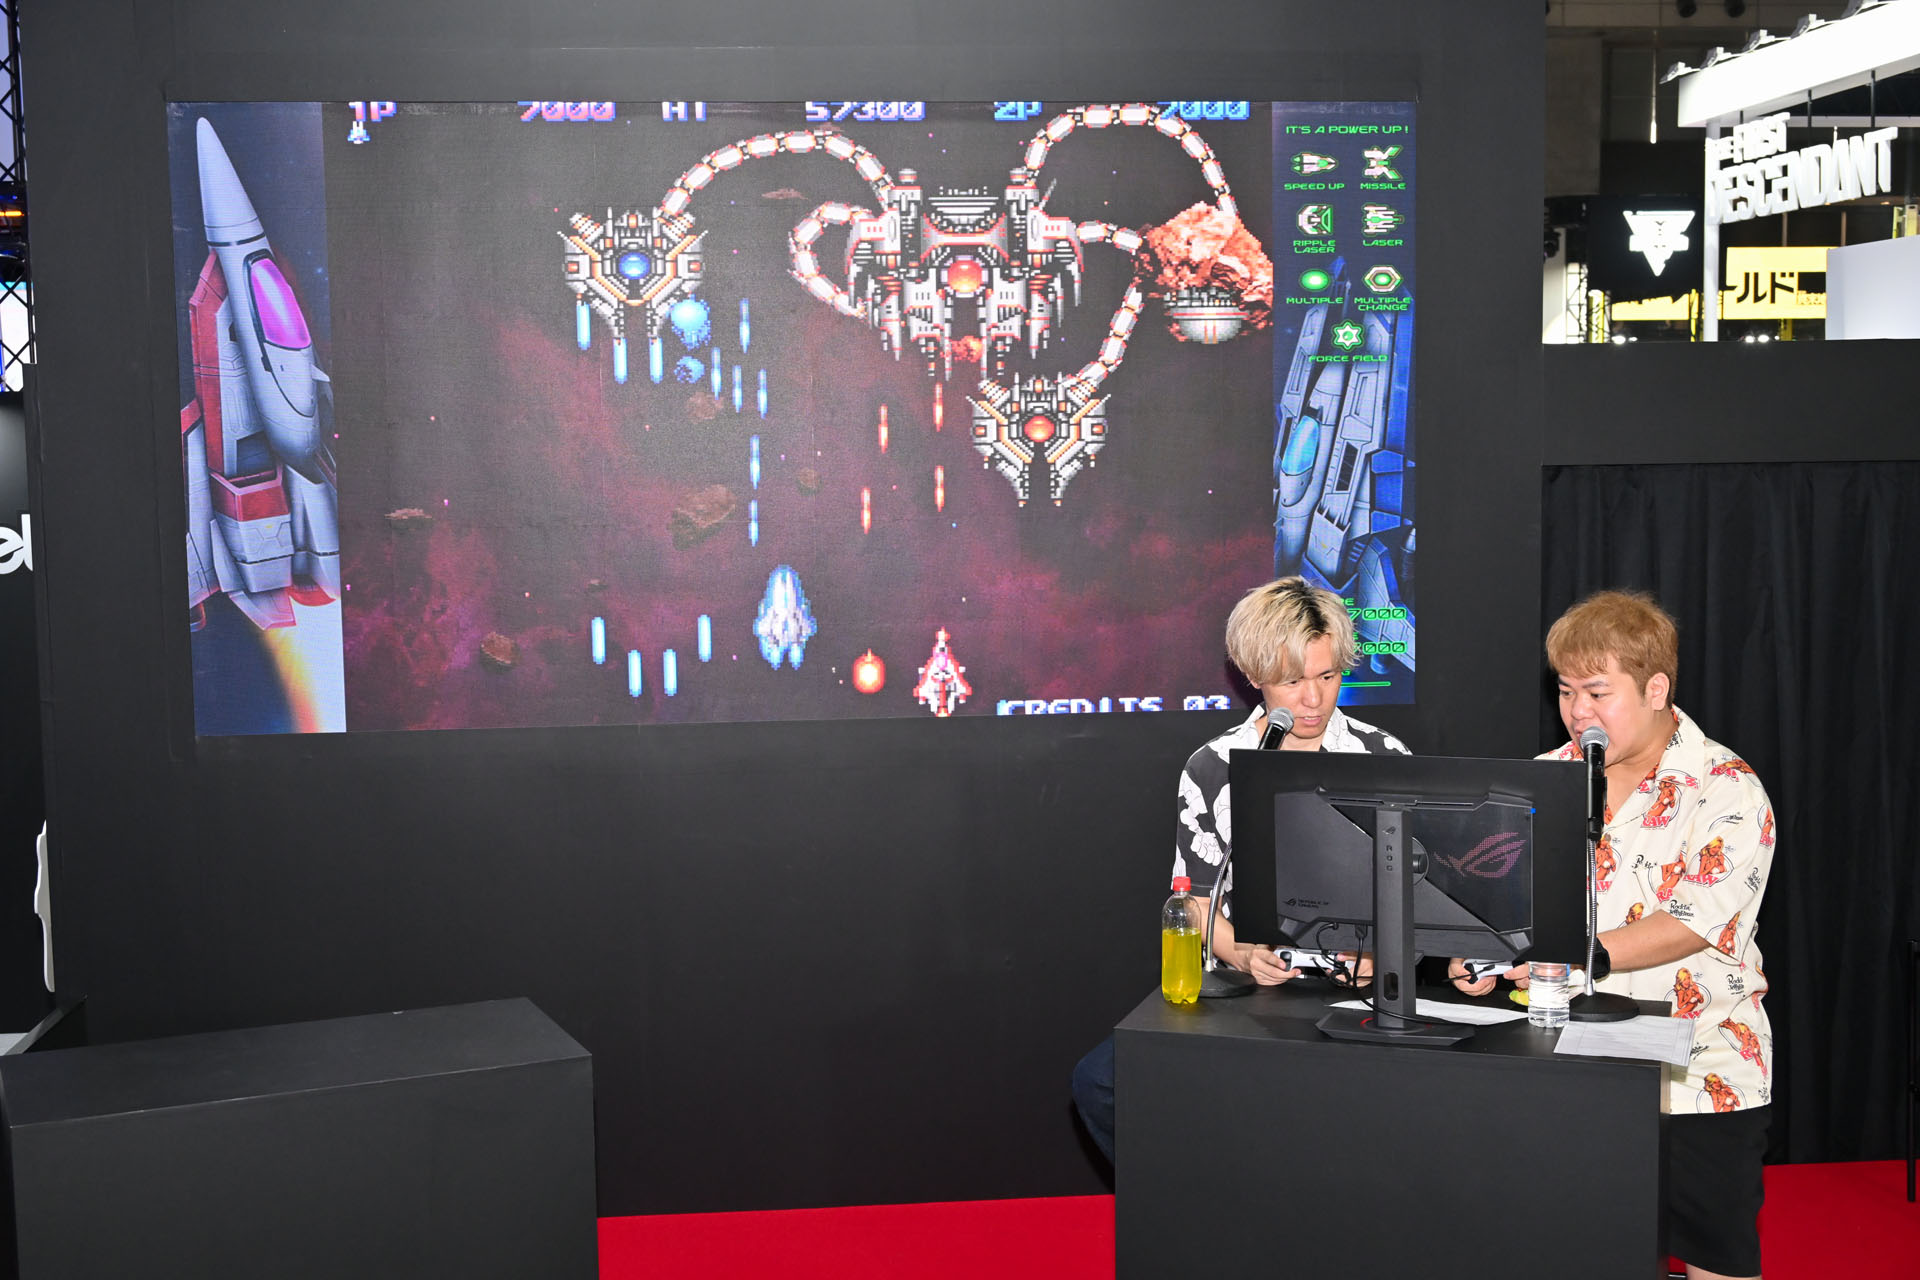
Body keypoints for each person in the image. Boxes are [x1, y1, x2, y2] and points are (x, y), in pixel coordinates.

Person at [1451, 590, 1774, 1280]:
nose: (1578, 712)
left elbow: (1697, 920)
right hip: (1563, 1066)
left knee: (1714, 1259)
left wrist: (1579, 954)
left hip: (1698, 1071)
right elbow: (1495, 903)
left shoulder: (1726, 787)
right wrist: (1478, 955)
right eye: (1566, 692)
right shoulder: (1544, 779)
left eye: (1598, 692)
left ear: (1656, 689)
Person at [1070, 576, 1408, 1164]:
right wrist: (1244, 954)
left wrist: (1384, 953)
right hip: (1251, 988)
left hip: (1355, 990)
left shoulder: (1383, 757)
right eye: (1292, 681)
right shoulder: (1214, 766)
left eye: (1328, 677)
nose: (1313, 699)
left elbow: (1417, 894)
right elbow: (1196, 900)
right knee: (1101, 1081)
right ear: (1255, 676)